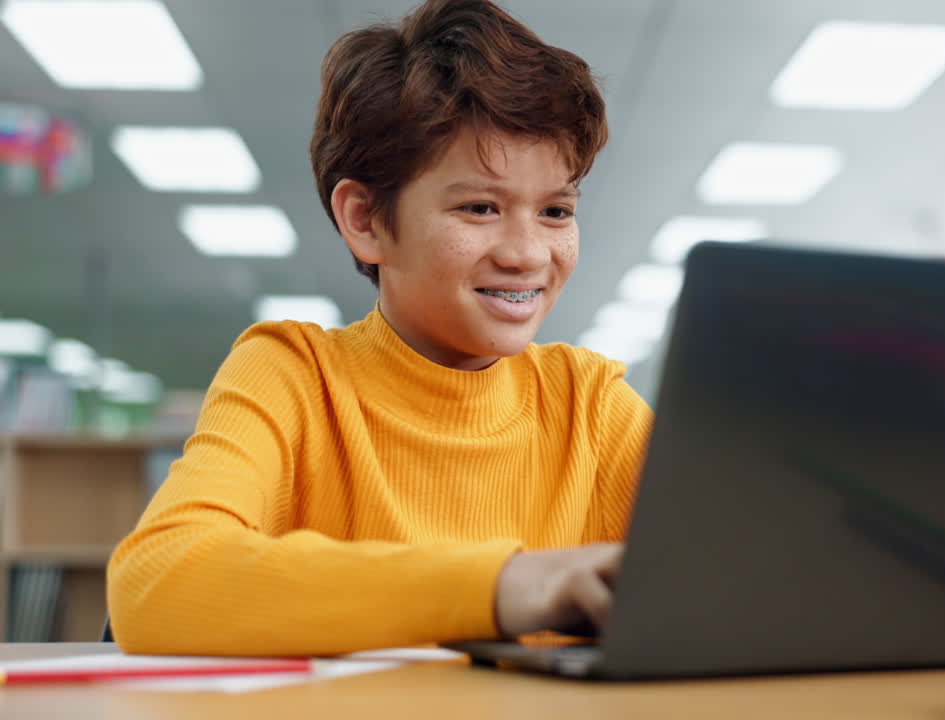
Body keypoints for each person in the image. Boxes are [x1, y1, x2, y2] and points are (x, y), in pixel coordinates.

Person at [106, 0, 653, 656]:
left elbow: (745, 583)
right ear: (365, 219)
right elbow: (157, 582)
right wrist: (502, 585)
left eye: (556, 210)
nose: (529, 252)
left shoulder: (591, 405)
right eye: (480, 207)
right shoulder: (294, 376)